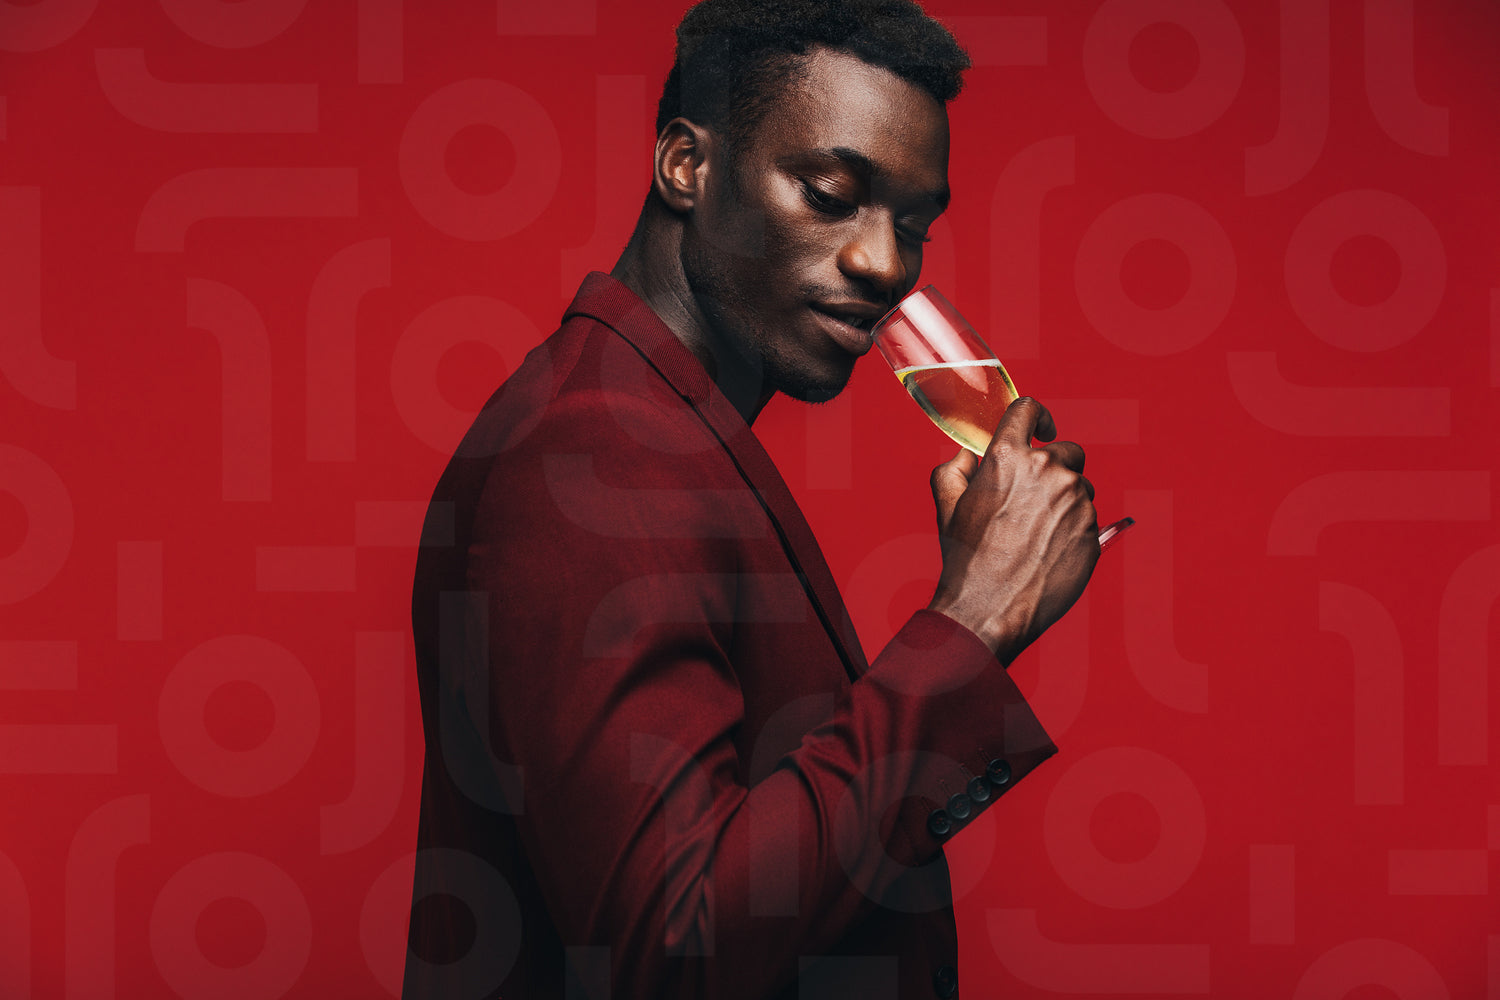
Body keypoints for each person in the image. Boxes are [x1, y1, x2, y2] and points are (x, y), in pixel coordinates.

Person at [403, 1, 1100, 996]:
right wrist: (974, 620)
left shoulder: (663, 430)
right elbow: (675, 948)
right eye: (830, 195)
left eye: (912, 226)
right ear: (686, 166)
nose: (884, 265)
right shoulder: (596, 456)